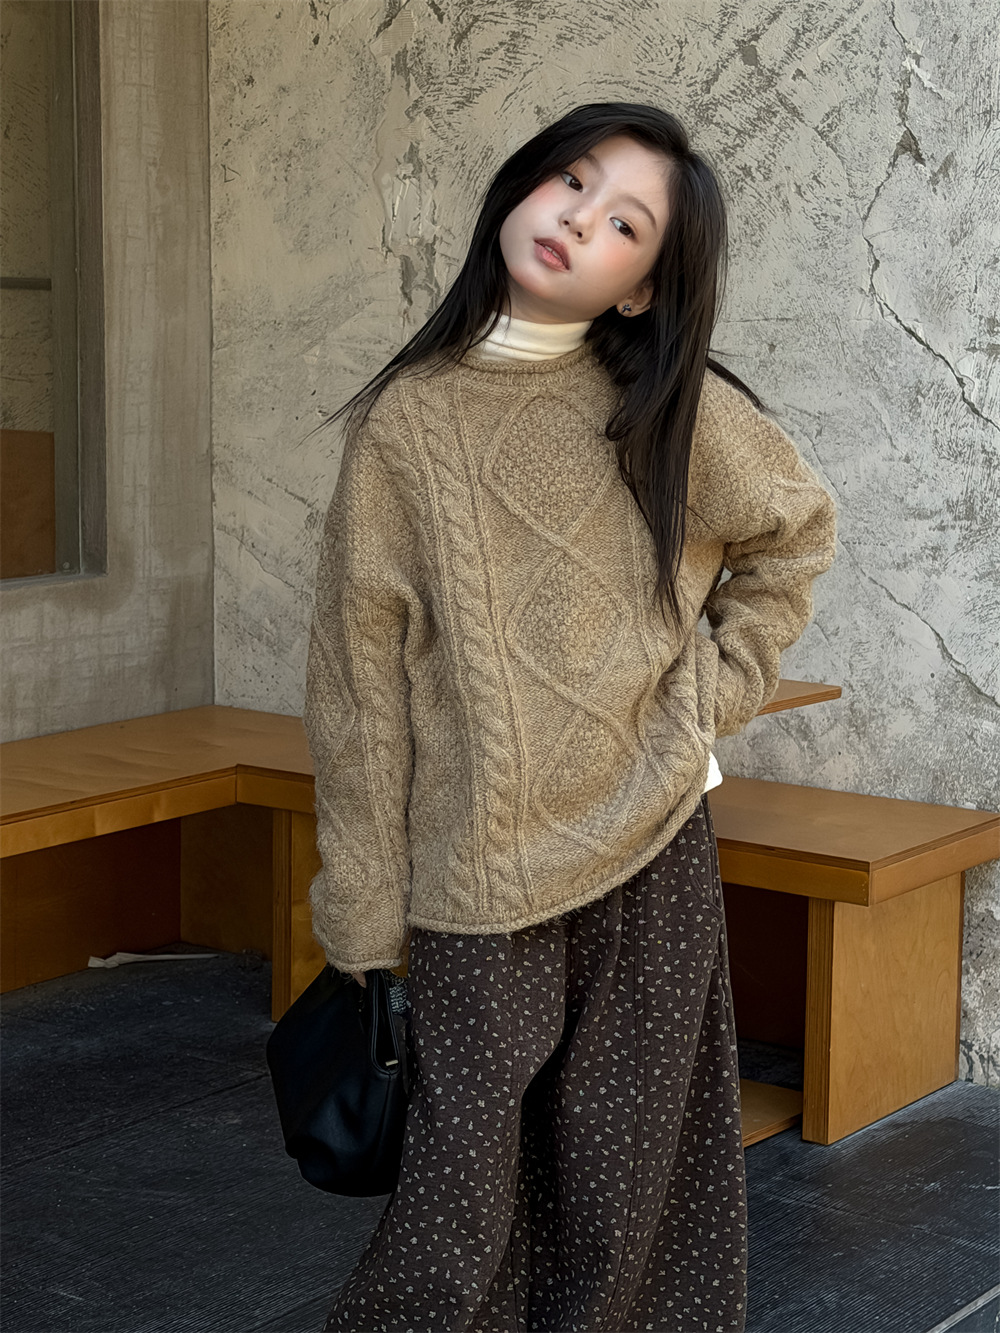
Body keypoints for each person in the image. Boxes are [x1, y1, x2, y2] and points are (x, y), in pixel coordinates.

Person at [302, 102, 837, 1333]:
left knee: (626, 1186)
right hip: (476, 876)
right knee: (457, 1205)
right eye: (572, 180)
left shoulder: (666, 404)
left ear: (641, 286)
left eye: (625, 223)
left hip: (650, 846)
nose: (580, 219)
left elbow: (793, 534)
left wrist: (707, 698)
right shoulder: (407, 425)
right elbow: (357, 684)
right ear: (520, 187)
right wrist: (363, 912)